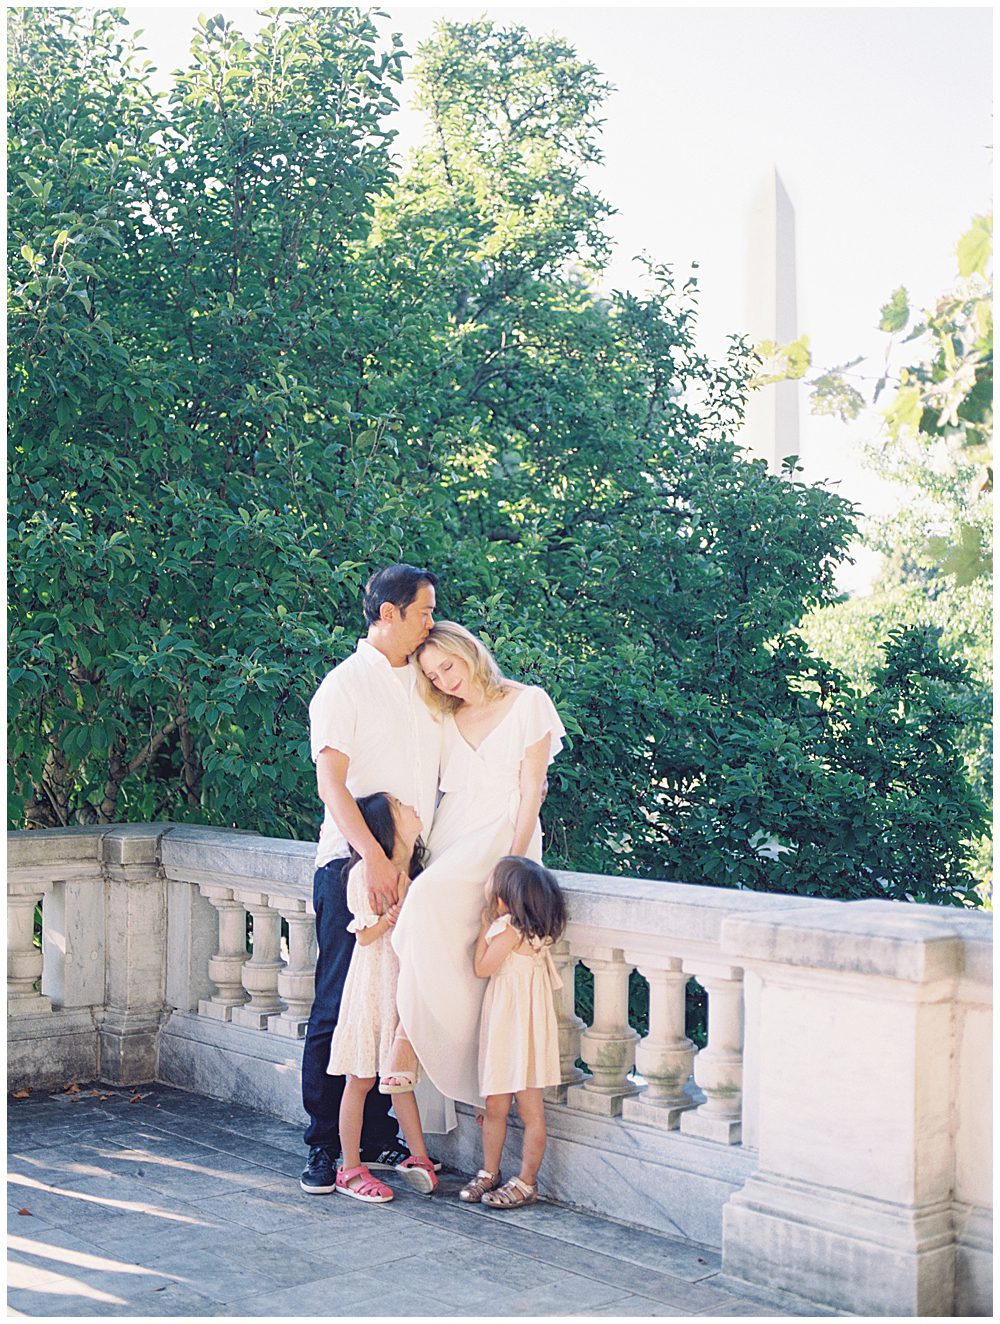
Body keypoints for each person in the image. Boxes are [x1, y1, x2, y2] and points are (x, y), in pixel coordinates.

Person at [392, 621, 566, 1134]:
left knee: (433, 908)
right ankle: (420, 1037)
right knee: (442, 937)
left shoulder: (528, 701)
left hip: (503, 835)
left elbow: (532, 790)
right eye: (432, 676)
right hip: (453, 834)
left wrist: (511, 871)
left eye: (448, 666)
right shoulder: (443, 717)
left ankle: (419, 1039)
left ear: (470, 652)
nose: (445, 681)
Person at [300, 563, 441, 1194]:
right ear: (387, 614)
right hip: (353, 864)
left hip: (416, 868)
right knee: (340, 1006)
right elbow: (333, 783)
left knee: (396, 1004)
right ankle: (325, 1146)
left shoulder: (427, 682)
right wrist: (376, 858)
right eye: (423, 612)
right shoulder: (342, 687)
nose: (432, 622)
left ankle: (378, 1135)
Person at [328, 792, 439, 1202]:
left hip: (401, 985)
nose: (412, 808)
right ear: (386, 827)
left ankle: (419, 1157)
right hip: (372, 984)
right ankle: (350, 1166)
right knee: (360, 1077)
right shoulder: (365, 876)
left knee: (398, 1076)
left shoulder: (415, 872)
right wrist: (392, 916)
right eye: (400, 806)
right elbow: (361, 934)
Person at [459, 856, 567, 1209]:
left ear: (506, 899)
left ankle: (492, 1172)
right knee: (532, 1112)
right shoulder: (539, 935)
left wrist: (482, 929)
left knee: (496, 1107)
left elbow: (481, 968)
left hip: (507, 1028)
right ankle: (525, 1179)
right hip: (531, 1031)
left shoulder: (506, 930)